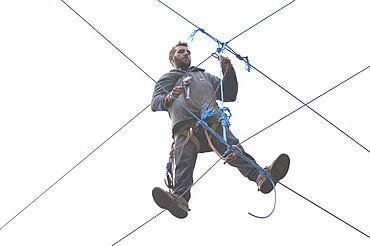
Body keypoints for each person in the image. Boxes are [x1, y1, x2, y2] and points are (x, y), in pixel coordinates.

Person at [151, 41, 290, 219]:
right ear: (172, 58)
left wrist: (228, 73)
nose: (186, 54)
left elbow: (229, 94)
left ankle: (261, 176)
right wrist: (168, 98)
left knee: (233, 149)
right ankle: (180, 199)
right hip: (186, 128)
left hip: (212, 121)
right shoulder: (169, 78)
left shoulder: (205, 77)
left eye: (187, 52)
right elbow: (155, 102)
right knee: (184, 162)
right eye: (181, 52)